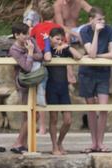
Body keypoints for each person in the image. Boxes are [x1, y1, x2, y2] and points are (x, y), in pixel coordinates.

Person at [79, 7, 112, 153]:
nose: (102, 22)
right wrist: (95, 32)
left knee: (103, 108)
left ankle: (101, 142)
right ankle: (94, 143)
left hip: (103, 72)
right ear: (91, 20)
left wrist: (99, 57)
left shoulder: (109, 30)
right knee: (91, 110)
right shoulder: (85, 30)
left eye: (103, 19)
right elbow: (92, 52)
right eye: (99, 19)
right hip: (87, 73)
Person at [43, 27, 82, 155]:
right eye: (57, 39)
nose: (59, 41)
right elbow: (47, 58)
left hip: (63, 89)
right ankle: (54, 146)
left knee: (68, 120)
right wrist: (47, 43)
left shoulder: (64, 51)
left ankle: (60, 142)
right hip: (52, 88)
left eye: (61, 39)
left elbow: (79, 56)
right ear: (51, 39)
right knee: (53, 118)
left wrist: (67, 46)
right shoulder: (47, 50)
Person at [9, 22, 44, 154]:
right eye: (24, 34)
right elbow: (27, 67)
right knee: (29, 114)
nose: (28, 36)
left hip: (34, 81)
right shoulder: (14, 49)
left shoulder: (31, 40)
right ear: (17, 35)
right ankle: (18, 143)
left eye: (28, 33)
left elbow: (40, 56)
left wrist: (29, 55)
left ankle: (21, 143)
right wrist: (29, 52)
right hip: (23, 84)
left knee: (33, 114)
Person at [30, 1, 61, 137]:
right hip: (55, 65)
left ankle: (42, 127)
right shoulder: (57, 27)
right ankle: (52, 125)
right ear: (53, 15)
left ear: (41, 16)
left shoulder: (36, 27)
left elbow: (30, 39)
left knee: (40, 95)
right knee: (52, 96)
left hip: (40, 63)